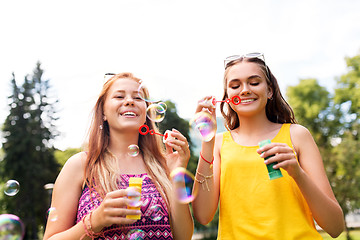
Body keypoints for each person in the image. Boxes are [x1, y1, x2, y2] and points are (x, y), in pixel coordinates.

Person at [191, 53, 345, 239]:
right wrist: (207, 141)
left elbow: (335, 227)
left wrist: (297, 173)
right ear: (227, 96)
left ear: (270, 91)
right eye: (235, 85)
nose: (245, 90)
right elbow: (203, 215)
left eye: (254, 83)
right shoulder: (218, 144)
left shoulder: (297, 135)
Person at [43, 72, 194, 240]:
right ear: (104, 113)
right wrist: (95, 220)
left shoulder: (162, 166)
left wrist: (176, 174)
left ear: (146, 114)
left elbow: (183, 237)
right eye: (119, 96)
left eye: (138, 98)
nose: (129, 101)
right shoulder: (81, 165)